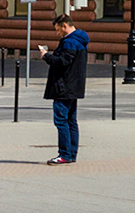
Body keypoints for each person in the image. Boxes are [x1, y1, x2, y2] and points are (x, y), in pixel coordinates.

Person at [39, 15, 88, 165]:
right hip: (74, 86)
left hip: (64, 86)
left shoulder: (70, 42)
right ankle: (71, 154)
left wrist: (46, 56)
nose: (57, 33)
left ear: (65, 26)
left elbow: (63, 62)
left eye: (58, 30)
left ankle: (65, 154)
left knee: (61, 121)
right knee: (71, 121)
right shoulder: (81, 40)